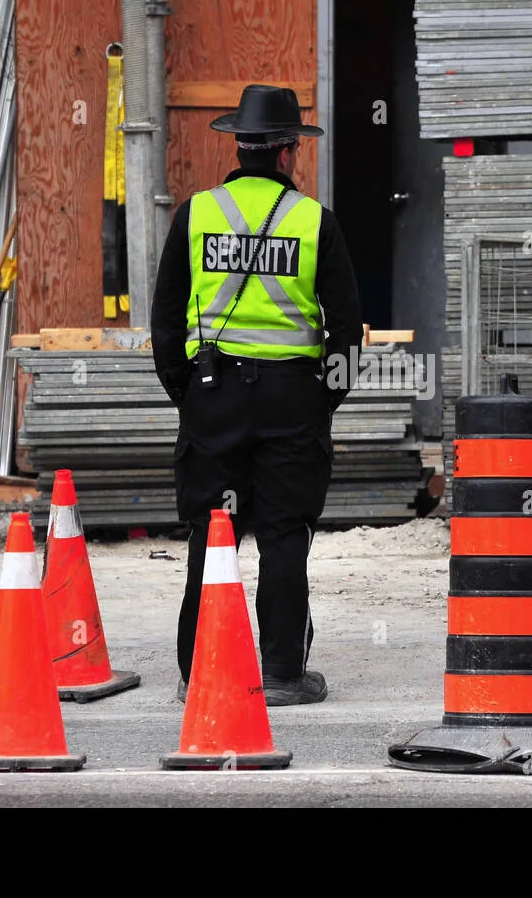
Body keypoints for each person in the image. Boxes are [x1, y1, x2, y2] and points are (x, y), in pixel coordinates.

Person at [151, 84, 363, 706]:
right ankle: (280, 674)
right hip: (292, 400)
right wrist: (325, 400)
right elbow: (346, 330)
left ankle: (200, 670)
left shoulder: (196, 215)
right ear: (288, 152)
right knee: (284, 531)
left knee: (212, 528)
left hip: (212, 396)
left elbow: (165, 321)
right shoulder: (314, 222)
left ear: (241, 147)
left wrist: (186, 392)